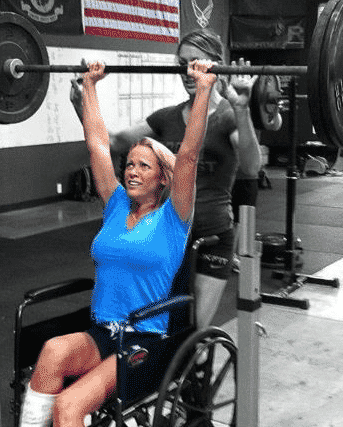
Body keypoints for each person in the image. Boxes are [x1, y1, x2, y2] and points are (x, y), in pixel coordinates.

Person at [0, 59, 216, 427]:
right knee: (50, 353)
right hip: (105, 329)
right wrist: (89, 88)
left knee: (70, 406)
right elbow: (94, 147)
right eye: (129, 164)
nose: (132, 172)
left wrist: (203, 90)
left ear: (162, 178)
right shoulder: (116, 207)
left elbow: (191, 155)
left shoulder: (173, 217)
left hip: (147, 341)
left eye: (142, 166)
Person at [70, 29, 262, 328]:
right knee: (159, 327)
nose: (188, 71)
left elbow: (251, 167)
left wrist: (241, 109)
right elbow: (113, 143)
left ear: (216, 64)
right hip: (166, 237)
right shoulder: (166, 117)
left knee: (193, 327)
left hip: (211, 236)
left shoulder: (227, 116)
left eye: (196, 61)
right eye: (183, 63)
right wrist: (82, 102)